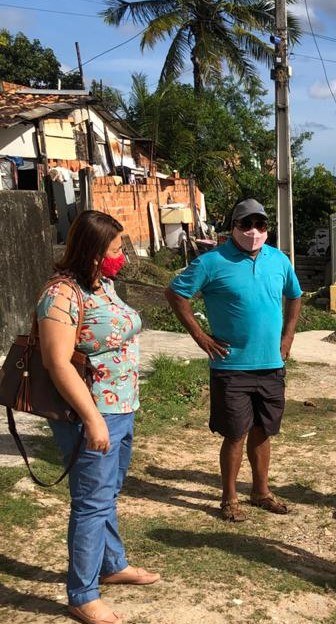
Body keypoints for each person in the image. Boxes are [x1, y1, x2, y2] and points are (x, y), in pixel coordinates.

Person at [38, 211, 159, 624]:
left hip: (122, 408)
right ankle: (82, 593)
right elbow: (57, 363)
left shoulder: (103, 285)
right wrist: (92, 419)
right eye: (115, 249)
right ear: (92, 251)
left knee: (107, 493)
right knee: (90, 503)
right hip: (90, 413)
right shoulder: (61, 295)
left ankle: (112, 565)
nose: (121, 256)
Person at [165, 198, 302, 522]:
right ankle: (229, 499)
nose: (254, 231)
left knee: (263, 432)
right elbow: (175, 294)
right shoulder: (211, 262)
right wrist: (201, 337)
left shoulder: (279, 261)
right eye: (246, 224)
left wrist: (288, 337)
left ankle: (261, 491)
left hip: (270, 366)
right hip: (231, 367)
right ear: (233, 227)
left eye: (260, 224)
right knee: (236, 434)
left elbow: (295, 295)